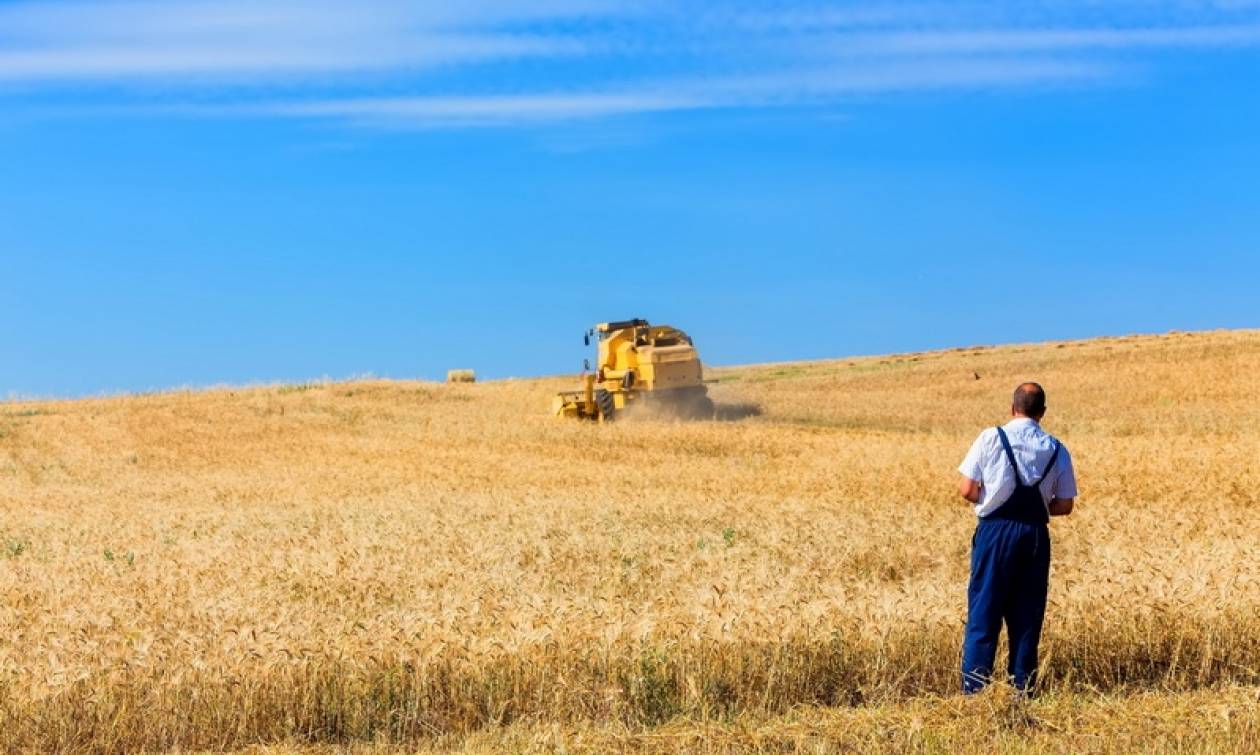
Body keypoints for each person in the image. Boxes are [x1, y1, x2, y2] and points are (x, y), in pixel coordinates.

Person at [956, 382, 1078, 695]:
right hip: (1034, 535)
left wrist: (993, 497)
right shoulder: (1056, 448)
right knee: (1027, 615)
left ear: (1012, 408)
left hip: (995, 532)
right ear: (1043, 413)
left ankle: (975, 692)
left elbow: (967, 489)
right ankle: (1022, 691)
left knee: (984, 610)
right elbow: (1064, 504)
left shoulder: (990, 437)